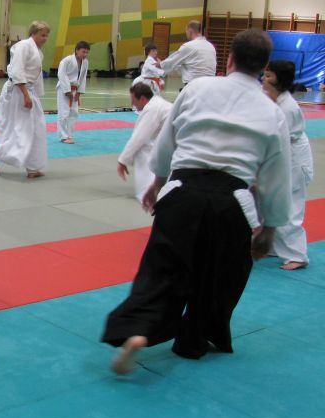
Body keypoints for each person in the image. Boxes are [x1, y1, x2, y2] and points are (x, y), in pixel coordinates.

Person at [101, 29, 292, 373]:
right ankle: (193, 340)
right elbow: (276, 176)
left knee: (161, 269)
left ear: (229, 60)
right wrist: (271, 228)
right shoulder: (272, 112)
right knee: (220, 276)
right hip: (231, 204)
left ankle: (139, 330)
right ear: (263, 68)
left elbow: (167, 142)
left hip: (182, 193)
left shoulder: (197, 89)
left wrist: (158, 182)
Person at [262, 60, 314, 270]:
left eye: (268, 76)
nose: (263, 79)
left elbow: (276, 139)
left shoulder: (287, 107)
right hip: (283, 155)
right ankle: (274, 246)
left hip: (293, 158)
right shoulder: (273, 99)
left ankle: (298, 255)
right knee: (273, 202)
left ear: (280, 80)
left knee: (290, 206)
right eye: (264, 75)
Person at [0, 21, 50, 178]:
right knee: (19, 131)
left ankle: (32, 168)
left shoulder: (36, 50)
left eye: (47, 35)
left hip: (29, 90)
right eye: (42, 35)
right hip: (18, 91)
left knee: (36, 128)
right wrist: (25, 95)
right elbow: (17, 71)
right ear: (33, 33)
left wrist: (33, 95)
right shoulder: (23, 46)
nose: (45, 38)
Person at [117, 82, 174, 202]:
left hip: (175, 145)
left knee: (143, 149)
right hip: (177, 144)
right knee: (149, 145)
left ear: (142, 98)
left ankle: (147, 190)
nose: (132, 104)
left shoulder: (152, 108)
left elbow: (139, 137)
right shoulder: (158, 103)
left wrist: (123, 160)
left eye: (133, 100)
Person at [160, 20, 216, 88]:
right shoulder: (211, 46)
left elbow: (171, 62)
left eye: (186, 31)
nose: (186, 34)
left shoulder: (188, 46)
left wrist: (159, 64)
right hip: (209, 85)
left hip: (193, 85)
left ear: (190, 31)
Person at [56, 40, 90, 144]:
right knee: (64, 112)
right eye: (83, 51)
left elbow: (83, 78)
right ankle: (63, 136)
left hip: (75, 89)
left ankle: (70, 134)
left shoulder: (85, 62)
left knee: (74, 113)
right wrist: (67, 91)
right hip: (64, 89)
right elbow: (61, 75)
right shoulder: (66, 60)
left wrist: (79, 92)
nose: (85, 54)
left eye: (87, 52)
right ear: (76, 50)